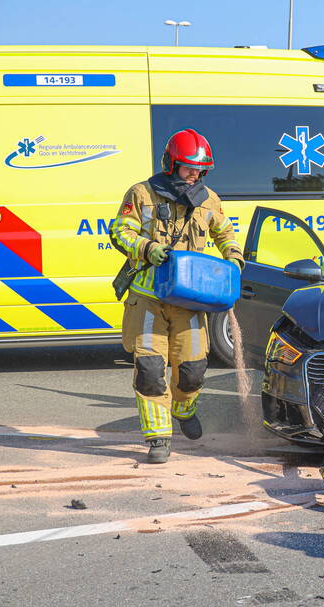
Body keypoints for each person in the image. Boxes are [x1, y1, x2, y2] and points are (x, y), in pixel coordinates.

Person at [109, 129, 243, 464]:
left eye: (199, 170)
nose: (194, 174)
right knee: (151, 368)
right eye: (187, 168)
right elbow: (119, 231)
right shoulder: (141, 193)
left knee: (194, 368)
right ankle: (158, 438)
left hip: (190, 298)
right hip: (148, 297)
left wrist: (234, 259)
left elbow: (224, 232)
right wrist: (146, 248)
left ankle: (184, 410)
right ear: (170, 164)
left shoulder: (209, 198)